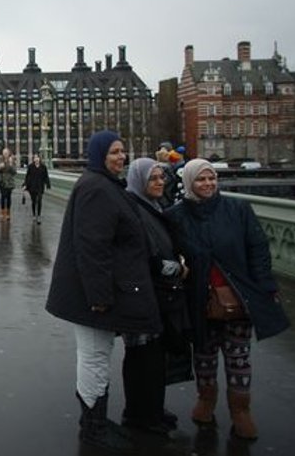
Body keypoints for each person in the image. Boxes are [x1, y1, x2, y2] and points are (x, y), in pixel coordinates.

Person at [45, 131, 161, 452]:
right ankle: (93, 429)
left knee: (96, 355)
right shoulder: (97, 189)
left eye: (123, 151)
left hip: (98, 293)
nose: (121, 157)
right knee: (95, 357)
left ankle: (94, 422)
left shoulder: (103, 184)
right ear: (98, 155)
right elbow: (92, 248)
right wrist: (98, 297)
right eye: (114, 152)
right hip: (92, 298)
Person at [166, 159, 290, 441]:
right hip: (201, 299)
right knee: (204, 355)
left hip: (238, 296)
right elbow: (170, 254)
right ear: (189, 183)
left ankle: (240, 411)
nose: (208, 184)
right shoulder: (176, 216)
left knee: (239, 357)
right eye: (201, 180)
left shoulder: (238, 209)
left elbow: (257, 249)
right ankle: (206, 401)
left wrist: (266, 286)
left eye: (212, 178)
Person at [121, 158, 193, 436]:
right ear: (139, 181)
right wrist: (176, 268)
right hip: (142, 295)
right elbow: (141, 255)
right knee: (142, 357)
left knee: (155, 357)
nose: (161, 182)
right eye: (153, 178)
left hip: (159, 294)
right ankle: (139, 415)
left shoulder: (154, 206)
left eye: (162, 177)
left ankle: (152, 409)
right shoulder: (134, 209)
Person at [22, 154, 51, 224]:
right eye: (35, 158)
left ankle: (39, 216)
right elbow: (27, 177)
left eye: (37, 157)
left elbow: (46, 176)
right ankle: (34, 214)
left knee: (40, 200)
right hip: (32, 187)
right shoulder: (30, 167)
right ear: (33, 159)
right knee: (34, 201)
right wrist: (25, 185)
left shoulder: (43, 167)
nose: (36, 159)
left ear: (39, 159)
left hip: (40, 186)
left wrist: (48, 184)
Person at [0, 148, 17, 220]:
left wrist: (11, 165)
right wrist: (0, 168)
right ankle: (2, 212)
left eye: (6, 153)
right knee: (2, 196)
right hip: (2, 181)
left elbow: (14, 172)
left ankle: (8, 213)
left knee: (8, 197)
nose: (5, 154)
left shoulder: (12, 161)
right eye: (4, 153)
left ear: (8, 153)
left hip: (9, 182)